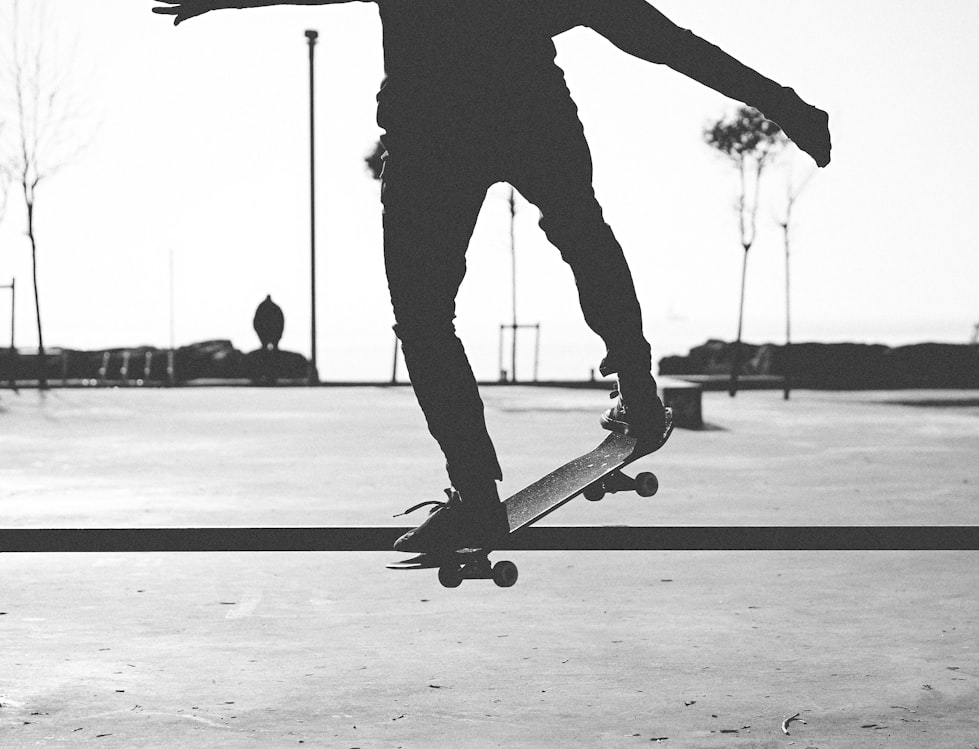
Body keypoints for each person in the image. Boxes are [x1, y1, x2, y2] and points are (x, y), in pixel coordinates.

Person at [153, 0, 831, 553]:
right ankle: (638, 389)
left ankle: (475, 490)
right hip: (528, 108)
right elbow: (658, 37)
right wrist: (783, 104)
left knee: (423, 317)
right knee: (580, 232)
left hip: (432, 130)